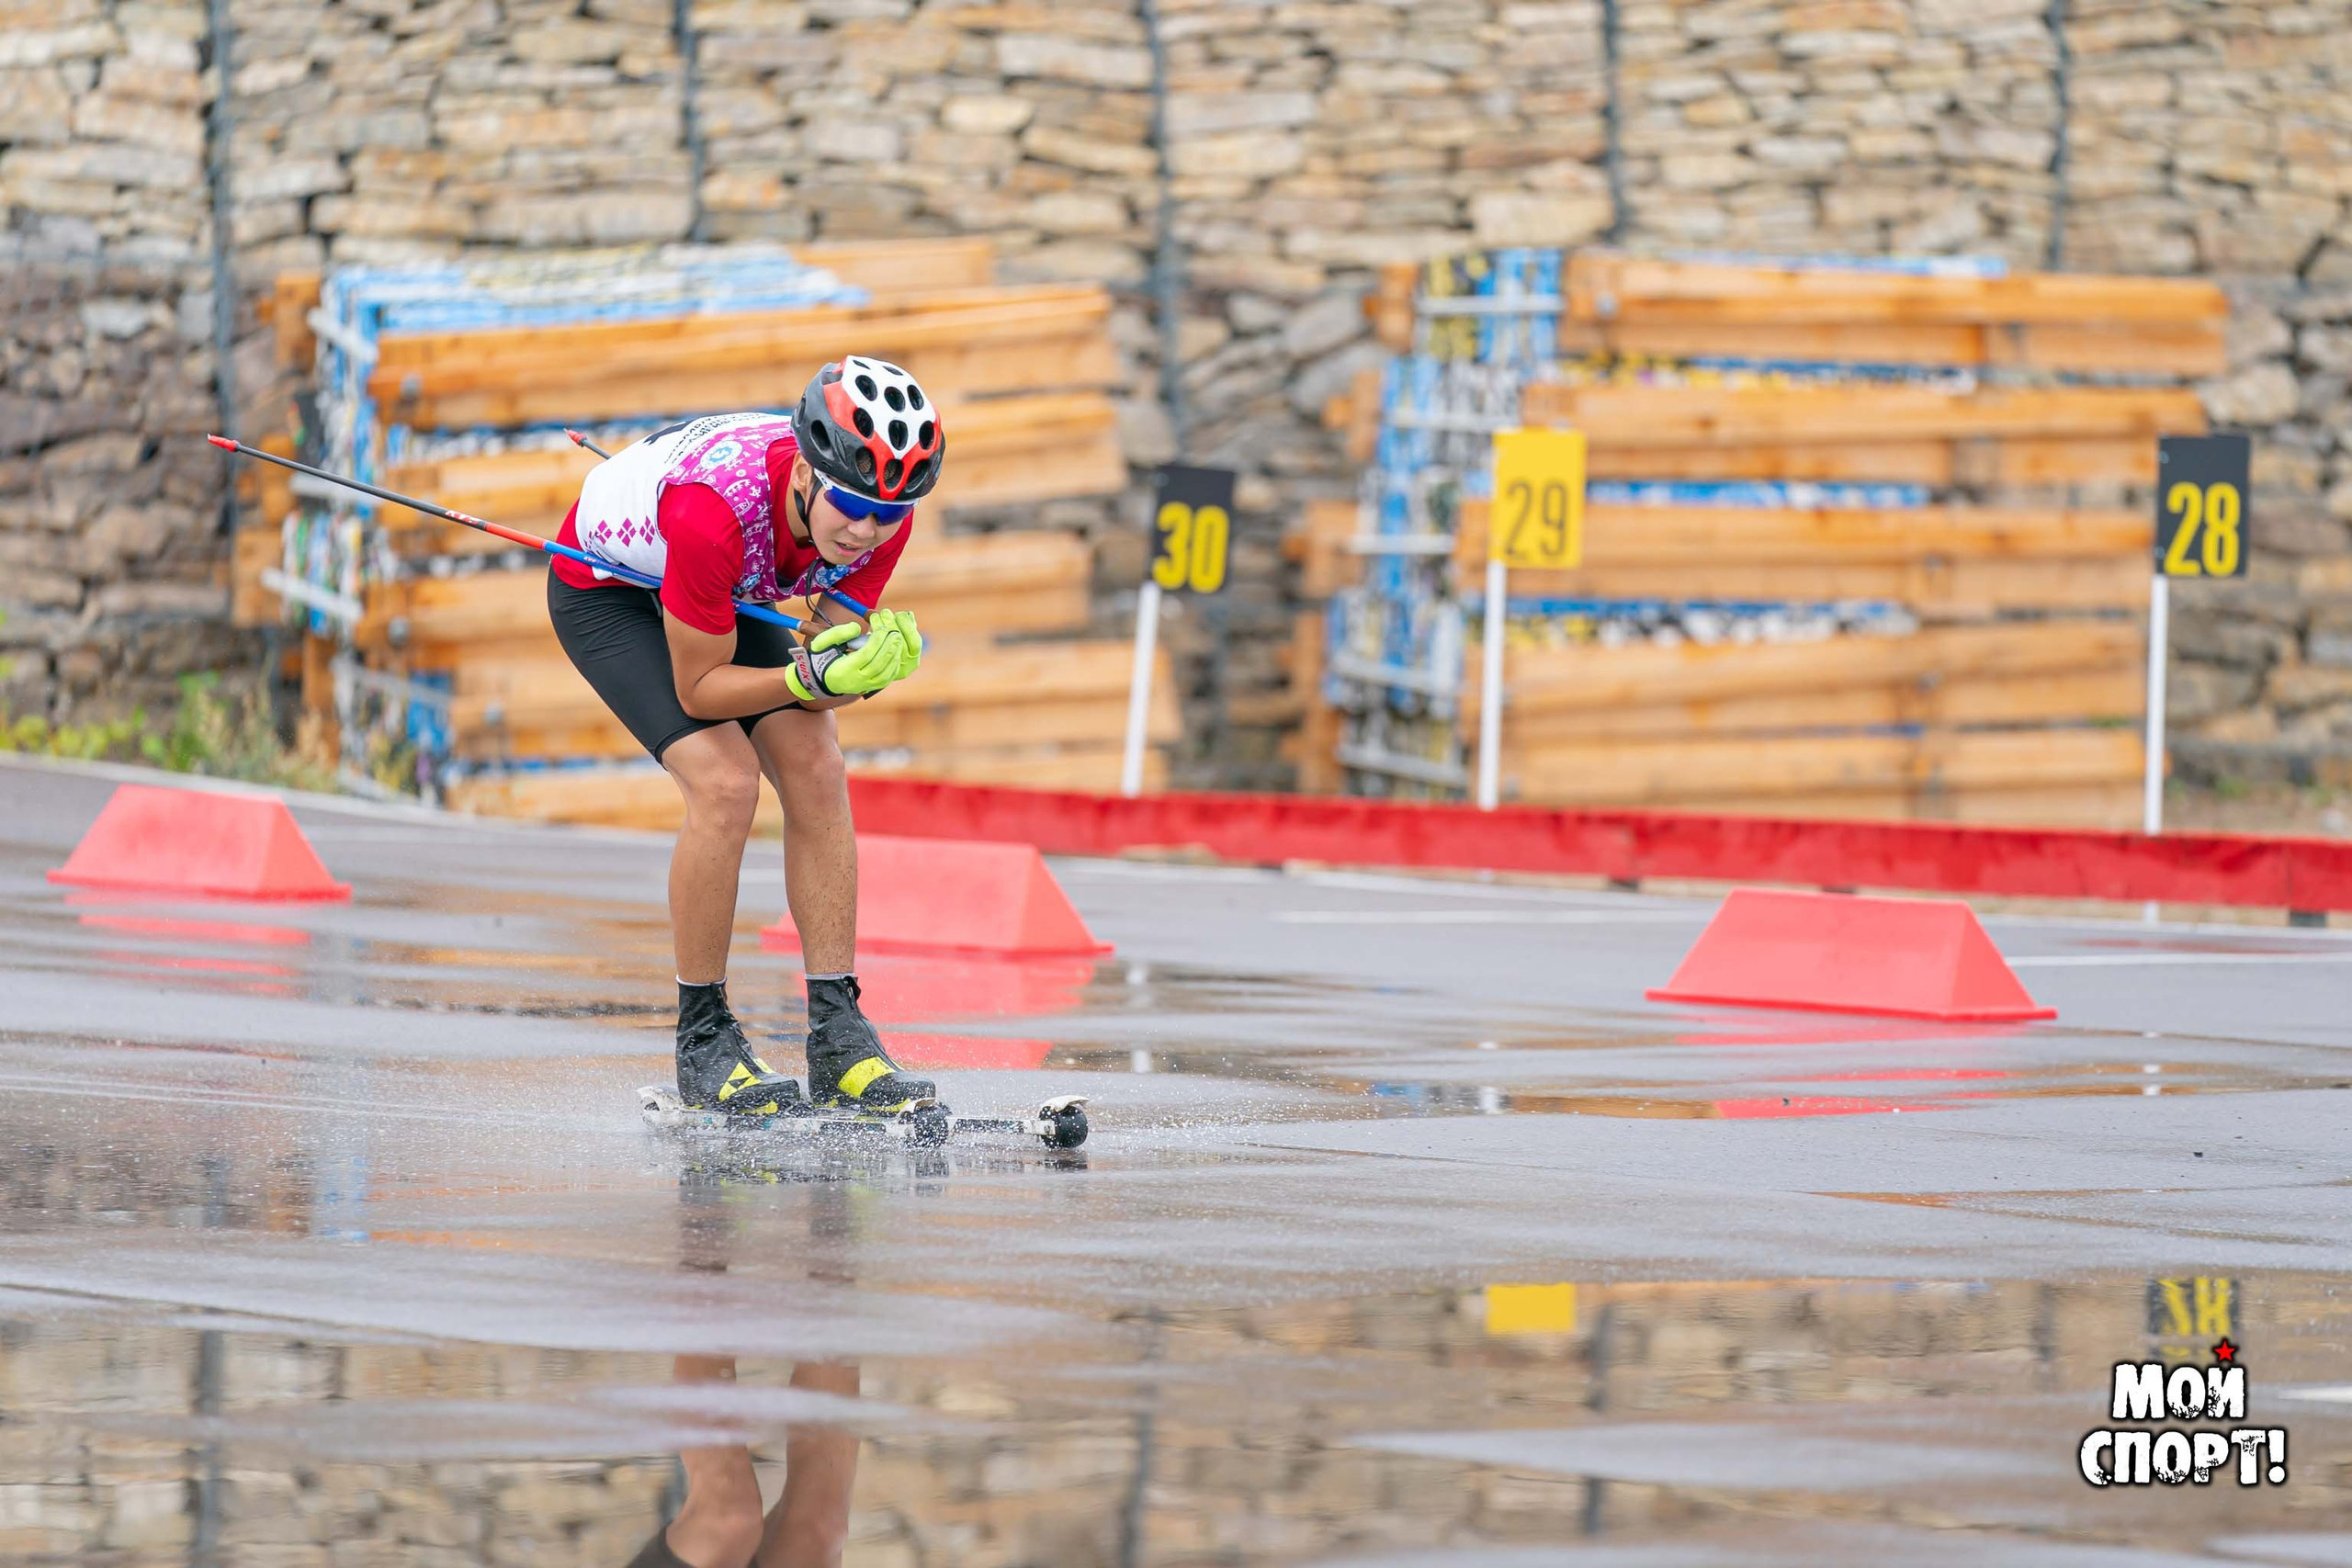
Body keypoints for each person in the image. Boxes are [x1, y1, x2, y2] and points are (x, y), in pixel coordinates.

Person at [547, 356, 944, 1119]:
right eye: (851, 504)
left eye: (886, 515)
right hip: (612, 595)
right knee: (726, 783)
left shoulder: (887, 513)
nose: (865, 529)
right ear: (805, 472)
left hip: (726, 586)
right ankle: (703, 1040)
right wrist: (805, 681)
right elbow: (702, 688)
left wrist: (846, 665)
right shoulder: (713, 512)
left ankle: (839, 1038)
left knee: (817, 766)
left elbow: (819, 647)